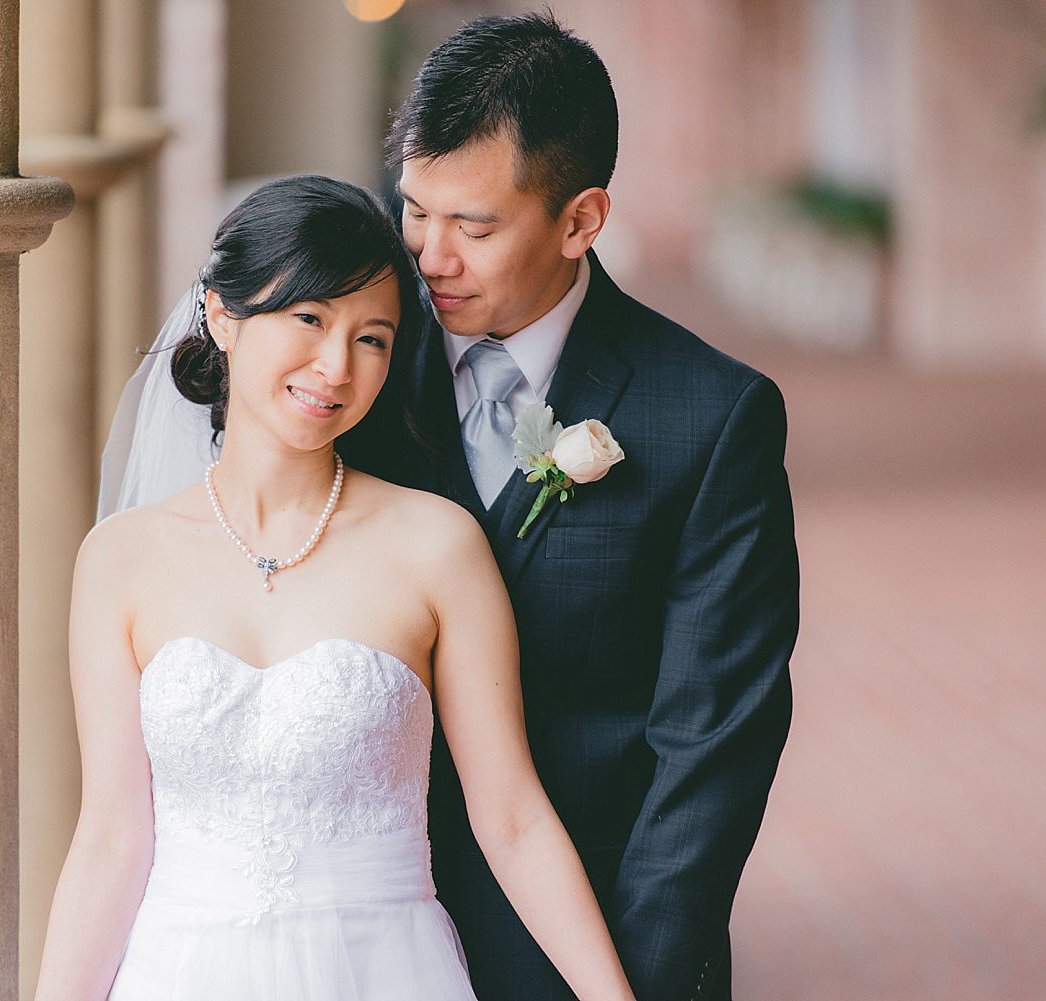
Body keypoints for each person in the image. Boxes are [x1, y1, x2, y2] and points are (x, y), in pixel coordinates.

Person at [34, 175, 637, 1001]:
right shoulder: (119, 560)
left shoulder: (436, 545)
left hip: (386, 971)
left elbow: (513, 817)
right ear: (222, 313)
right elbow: (109, 838)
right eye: (310, 319)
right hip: (180, 972)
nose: (336, 366)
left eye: (374, 338)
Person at [352, 12, 800, 1001]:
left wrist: (628, 979)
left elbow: (711, 751)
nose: (429, 255)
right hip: (360, 938)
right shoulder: (350, 381)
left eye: (473, 225)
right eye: (415, 210)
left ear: (581, 219)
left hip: (585, 946)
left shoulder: (710, 417)